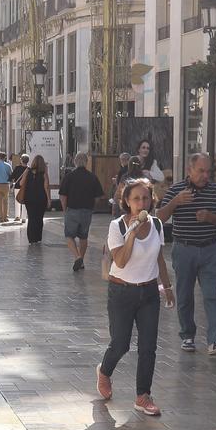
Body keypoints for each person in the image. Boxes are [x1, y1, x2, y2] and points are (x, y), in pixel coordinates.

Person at [96, 177, 175, 417]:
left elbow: (159, 258)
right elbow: (120, 260)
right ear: (127, 202)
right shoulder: (117, 226)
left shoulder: (158, 225)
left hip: (149, 292)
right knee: (121, 344)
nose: (142, 203)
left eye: (145, 198)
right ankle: (104, 371)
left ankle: (143, 395)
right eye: (136, 199)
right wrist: (131, 232)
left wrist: (168, 287)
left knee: (148, 346)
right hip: (121, 291)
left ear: (152, 199)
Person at [158, 152, 216, 356]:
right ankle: (187, 336)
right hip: (184, 249)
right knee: (184, 295)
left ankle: (215, 340)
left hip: (209, 249)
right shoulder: (176, 190)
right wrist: (175, 202)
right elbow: (159, 218)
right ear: (189, 171)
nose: (205, 175)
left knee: (212, 295)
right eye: (201, 171)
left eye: (208, 171)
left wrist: (212, 217)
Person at [59, 151, 104, 271]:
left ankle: (77, 256)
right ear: (87, 162)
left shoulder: (69, 176)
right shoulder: (92, 177)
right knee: (84, 237)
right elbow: (99, 196)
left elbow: (63, 196)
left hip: (72, 210)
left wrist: (65, 210)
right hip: (87, 211)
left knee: (69, 235)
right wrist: (92, 205)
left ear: (75, 161)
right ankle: (82, 261)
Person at [18, 154, 50, 244]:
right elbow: (46, 187)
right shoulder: (44, 173)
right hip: (41, 199)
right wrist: (49, 199)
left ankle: (31, 239)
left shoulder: (27, 171)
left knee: (31, 218)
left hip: (29, 198)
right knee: (39, 218)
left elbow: (20, 183)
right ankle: (38, 238)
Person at [11, 153, 29, 224]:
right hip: (26, 188)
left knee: (17, 201)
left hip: (18, 187)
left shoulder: (17, 168)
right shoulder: (29, 169)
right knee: (24, 202)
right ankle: (24, 218)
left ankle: (17, 216)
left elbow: (12, 176)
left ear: (21, 160)